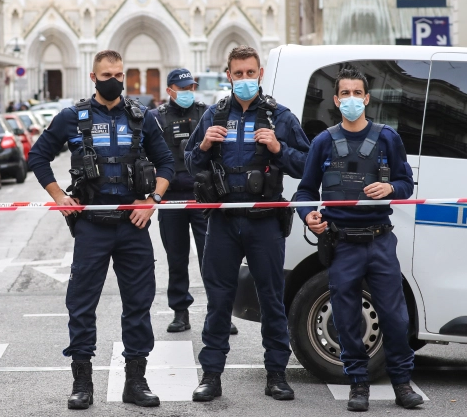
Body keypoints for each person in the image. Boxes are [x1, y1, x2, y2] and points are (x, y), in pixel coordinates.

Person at [28, 50, 175, 410]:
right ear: (93, 78)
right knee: (81, 306)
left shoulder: (141, 117)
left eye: (119, 74)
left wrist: (152, 199)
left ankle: (136, 382)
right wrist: (59, 195)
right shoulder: (72, 117)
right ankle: (82, 382)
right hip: (92, 227)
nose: (115, 80)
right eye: (107, 74)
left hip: (132, 224)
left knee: (138, 306)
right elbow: (38, 156)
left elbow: (168, 162)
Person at [184, 45, 310, 402]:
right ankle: (211, 376)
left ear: (260, 74)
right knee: (219, 301)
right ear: (228, 75)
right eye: (237, 74)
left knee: (271, 298)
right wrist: (205, 145)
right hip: (223, 221)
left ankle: (276, 374)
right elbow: (191, 165)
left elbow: (306, 166)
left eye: (249, 73)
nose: (244, 80)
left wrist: (277, 149)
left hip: (264, 222)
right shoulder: (214, 115)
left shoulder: (278, 117)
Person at [295, 68, 424, 412]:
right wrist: (309, 215)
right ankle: (358, 384)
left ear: (366, 98)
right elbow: (305, 191)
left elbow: (406, 183)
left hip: (380, 241)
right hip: (343, 244)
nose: (351, 99)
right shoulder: (323, 141)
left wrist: (390, 188)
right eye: (345, 94)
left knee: (396, 318)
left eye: (357, 93)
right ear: (336, 100)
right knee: (347, 318)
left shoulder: (387, 139)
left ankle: (401, 383)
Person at [149, 69, 238, 335]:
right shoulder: (156, 118)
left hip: (203, 198)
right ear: (170, 90)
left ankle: (220, 312)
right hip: (171, 199)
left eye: (191, 87)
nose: (188, 92)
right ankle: (180, 312)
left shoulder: (205, 113)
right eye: (182, 87)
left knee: (211, 258)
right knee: (176, 259)